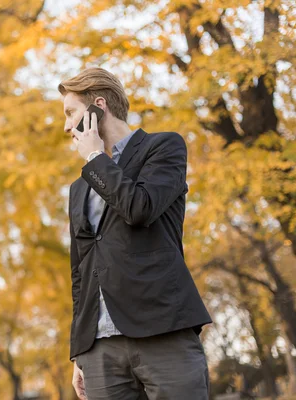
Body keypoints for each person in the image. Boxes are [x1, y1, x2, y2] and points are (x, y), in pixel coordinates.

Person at [60, 67, 212, 400]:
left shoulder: (163, 148)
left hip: (162, 330)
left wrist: (95, 156)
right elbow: (81, 271)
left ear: (99, 105)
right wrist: (79, 349)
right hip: (99, 350)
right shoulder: (78, 188)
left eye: (71, 113)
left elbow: (139, 208)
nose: (67, 126)